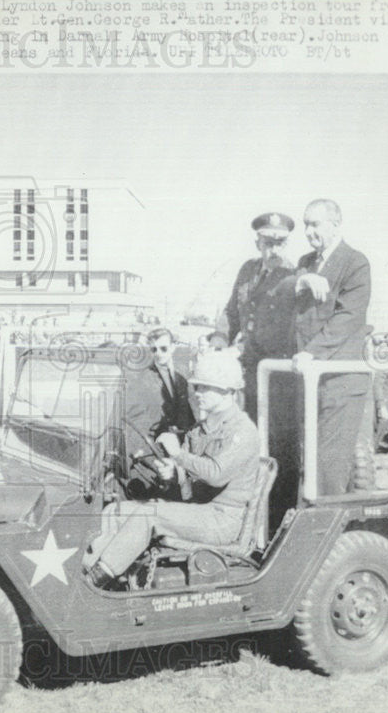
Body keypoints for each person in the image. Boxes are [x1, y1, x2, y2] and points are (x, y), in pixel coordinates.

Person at [83, 351, 261, 587]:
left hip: (222, 519)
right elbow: (186, 474)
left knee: (148, 515)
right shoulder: (201, 429)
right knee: (115, 513)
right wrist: (171, 472)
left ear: (228, 391)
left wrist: (178, 455)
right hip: (198, 511)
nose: (197, 394)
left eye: (205, 388)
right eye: (197, 387)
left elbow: (216, 474)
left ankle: (98, 582)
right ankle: (90, 569)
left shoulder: (243, 431)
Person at [292, 198, 372, 496]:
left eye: (314, 224)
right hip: (312, 382)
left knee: (327, 470)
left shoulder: (355, 263)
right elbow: (289, 281)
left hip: (339, 384)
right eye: (305, 224)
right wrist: (303, 279)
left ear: (335, 224)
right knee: (310, 464)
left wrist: (311, 352)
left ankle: (330, 540)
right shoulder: (305, 263)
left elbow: (348, 317)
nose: (308, 231)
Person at [223, 212, 299, 420]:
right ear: (258, 244)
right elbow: (231, 312)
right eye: (268, 243)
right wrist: (219, 340)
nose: (274, 250)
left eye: (280, 244)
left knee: (271, 431)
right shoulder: (248, 270)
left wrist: (240, 348)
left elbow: (280, 329)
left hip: (275, 372)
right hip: (245, 367)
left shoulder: (292, 277)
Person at [139, 327, 195, 439]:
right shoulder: (144, 378)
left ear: (173, 347)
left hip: (187, 435)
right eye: (154, 349)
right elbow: (144, 416)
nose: (158, 353)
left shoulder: (184, 371)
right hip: (161, 438)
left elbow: (192, 404)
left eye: (163, 348)